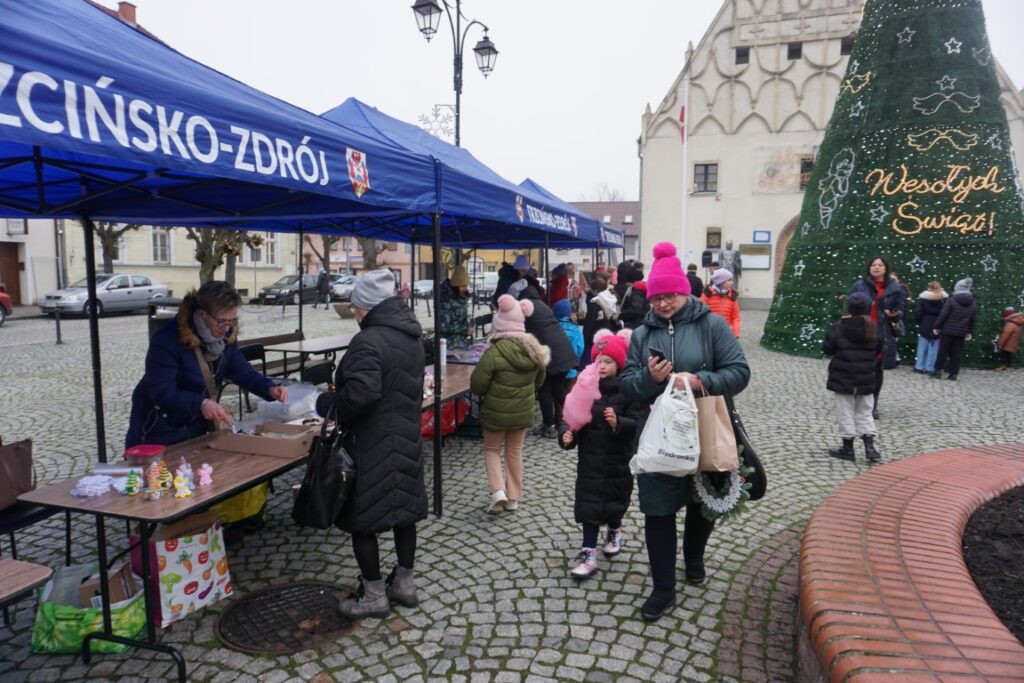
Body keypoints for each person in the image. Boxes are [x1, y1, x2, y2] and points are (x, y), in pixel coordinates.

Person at [620, 242, 750, 622]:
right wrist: (648, 378)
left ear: (685, 291)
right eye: (657, 297)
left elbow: (739, 372)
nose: (662, 303)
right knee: (657, 510)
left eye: (670, 295)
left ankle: (694, 559)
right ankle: (663, 588)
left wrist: (699, 380)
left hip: (706, 426)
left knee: (701, 502)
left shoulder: (711, 323)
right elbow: (627, 385)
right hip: (659, 435)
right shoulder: (643, 333)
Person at [314, 268, 427, 619]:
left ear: (365, 308)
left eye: (355, 308)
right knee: (403, 513)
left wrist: (327, 405)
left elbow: (362, 393)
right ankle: (404, 585)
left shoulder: (367, 341)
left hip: (372, 443)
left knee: (362, 518)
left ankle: (374, 595)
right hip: (406, 435)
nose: (355, 314)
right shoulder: (410, 335)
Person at [126, 281, 288, 448]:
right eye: (222, 321)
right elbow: (162, 391)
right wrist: (201, 404)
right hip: (157, 429)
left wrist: (269, 388)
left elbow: (244, 373)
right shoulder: (166, 341)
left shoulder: (226, 338)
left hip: (196, 427)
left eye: (232, 321)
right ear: (203, 314)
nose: (227, 328)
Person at [559, 329, 641, 579]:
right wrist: (567, 434)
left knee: (615, 502)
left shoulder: (628, 390)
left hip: (618, 460)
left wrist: (619, 423)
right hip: (590, 460)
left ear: (619, 363)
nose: (602, 366)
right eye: (598, 361)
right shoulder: (584, 386)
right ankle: (588, 552)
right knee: (589, 505)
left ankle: (615, 530)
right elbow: (569, 417)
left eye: (608, 361)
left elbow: (636, 424)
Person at [470, 294, 549, 513]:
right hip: (522, 412)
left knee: (492, 449)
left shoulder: (493, 353)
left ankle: (498, 492)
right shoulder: (534, 352)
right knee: (515, 451)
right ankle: (513, 498)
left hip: (495, 413)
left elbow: (477, 385)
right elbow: (539, 381)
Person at [822, 293, 882, 462]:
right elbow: (880, 349)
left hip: (843, 376)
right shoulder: (874, 328)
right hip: (866, 377)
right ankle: (869, 445)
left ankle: (847, 448)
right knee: (865, 411)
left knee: (845, 411)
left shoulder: (839, 326)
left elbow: (828, 348)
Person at [518, 283, 580, 438]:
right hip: (563, 351)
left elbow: (521, 331)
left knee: (545, 389)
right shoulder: (543, 306)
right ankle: (576, 418)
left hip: (550, 355)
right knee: (558, 389)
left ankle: (549, 426)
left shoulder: (526, 308)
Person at [849, 257, 906, 419]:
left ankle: (873, 404)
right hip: (862, 331)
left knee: (876, 370)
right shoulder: (859, 285)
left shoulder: (895, 288)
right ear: (869, 268)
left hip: (882, 333)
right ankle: (857, 400)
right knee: (858, 368)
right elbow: (850, 305)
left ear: (885, 269)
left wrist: (894, 314)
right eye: (873, 265)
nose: (876, 267)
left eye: (880, 265)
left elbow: (901, 308)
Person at [931, 277, 976, 381]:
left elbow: (943, 315)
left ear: (957, 288)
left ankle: (937, 371)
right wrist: (969, 332)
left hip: (947, 331)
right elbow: (972, 319)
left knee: (942, 352)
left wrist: (937, 326)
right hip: (961, 332)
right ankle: (953, 374)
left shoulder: (952, 300)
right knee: (956, 353)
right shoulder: (972, 303)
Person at [913, 281, 947, 374]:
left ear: (929, 287)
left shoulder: (923, 298)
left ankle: (919, 367)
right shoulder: (944, 299)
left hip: (925, 322)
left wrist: (919, 321)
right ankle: (930, 368)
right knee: (934, 347)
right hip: (938, 324)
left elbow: (918, 312)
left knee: (922, 347)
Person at [438, 265, 472, 348]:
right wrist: (465, 329)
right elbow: (443, 327)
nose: (465, 289)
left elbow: (459, 320)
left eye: (466, 286)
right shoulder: (446, 302)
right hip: (449, 345)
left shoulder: (461, 298)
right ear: (455, 286)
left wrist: (469, 325)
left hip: (460, 342)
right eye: (463, 286)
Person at [702, 268, 741, 338]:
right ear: (720, 282)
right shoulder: (707, 295)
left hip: (725, 334)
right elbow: (700, 316)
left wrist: (736, 333)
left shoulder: (732, 297)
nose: (732, 282)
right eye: (729, 280)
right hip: (708, 334)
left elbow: (735, 318)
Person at [554, 299, 584, 389]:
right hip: (571, 369)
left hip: (556, 368)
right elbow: (580, 348)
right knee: (568, 394)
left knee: (556, 393)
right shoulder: (576, 329)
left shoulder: (553, 328)